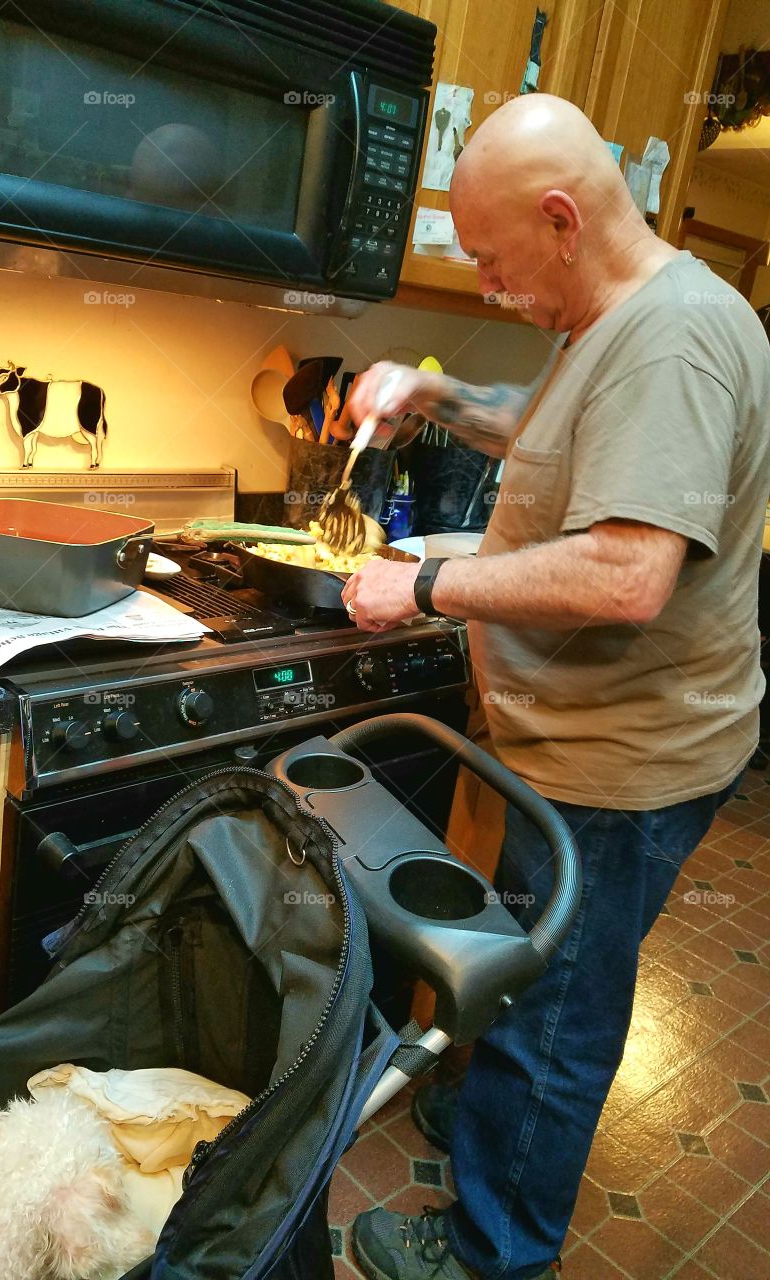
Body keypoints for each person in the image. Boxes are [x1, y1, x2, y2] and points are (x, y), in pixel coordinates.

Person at [342, 93, 770, 1280]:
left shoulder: (677, 338)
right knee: (535, 974)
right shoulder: (620, 317)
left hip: (622, 761)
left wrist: (424, 587)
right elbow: (546, 432)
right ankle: (495, 1125)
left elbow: (629, 573)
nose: (485, 284)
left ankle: (491, 1250)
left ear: (562, 218)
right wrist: (432, 393)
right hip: (585, 739)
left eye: (491, 257)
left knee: (556, 1015)